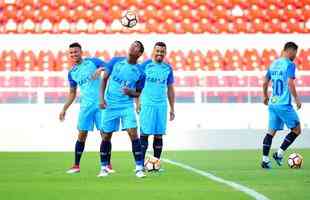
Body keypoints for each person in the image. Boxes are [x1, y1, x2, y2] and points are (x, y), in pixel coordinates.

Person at [59, 42, 113, 174]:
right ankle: (76, 165)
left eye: (76, 52)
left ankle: (107, 165)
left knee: (105, 135)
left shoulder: (93, 62)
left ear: (81, 52)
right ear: (69, 55)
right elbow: (72, 93)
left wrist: (101, 69)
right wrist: (64, 108)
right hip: (86, 106)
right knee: (82, 135)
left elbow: (109, 68)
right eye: (71, 53)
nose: (74, 54)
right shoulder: (72, 73)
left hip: (101, 103)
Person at [98, 41, 145, 178]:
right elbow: (104, 79)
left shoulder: (140, 72)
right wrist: (101, 99)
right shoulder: (115, 61)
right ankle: (104, 167)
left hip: (126, 106)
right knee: (106, 135)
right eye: (132, 44)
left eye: (136, 46)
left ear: (140, 53)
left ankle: (139, 168)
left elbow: (138, 93)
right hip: (110, 105)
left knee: (133, 133)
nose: (132, 46)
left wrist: (130, 92)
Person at [261, 41, 302, 169]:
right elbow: (290, 83)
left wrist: (265, 96)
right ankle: (279, 154)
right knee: (297, 129)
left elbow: (265, 82)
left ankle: (265, 160)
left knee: (270, 132)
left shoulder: (272, 64)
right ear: (290, 51)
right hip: (284, 104)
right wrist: (297, 99)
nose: (295, 56)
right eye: (295, 53)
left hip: (273, 103)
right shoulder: (290, 65)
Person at [138, 42, 175, 170]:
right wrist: (137, 103)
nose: (160, 53)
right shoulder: (145, 66)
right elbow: (137, 85)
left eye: (162, 51)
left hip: (161, 105)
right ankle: (140, 165)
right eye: (158, 51)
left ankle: (156, 164)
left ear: (165, 53)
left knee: (159, 134)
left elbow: (170, 89)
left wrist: (172, 108)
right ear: (153, 51)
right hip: (147, 104)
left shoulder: (167, 68)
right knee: (144, 134)